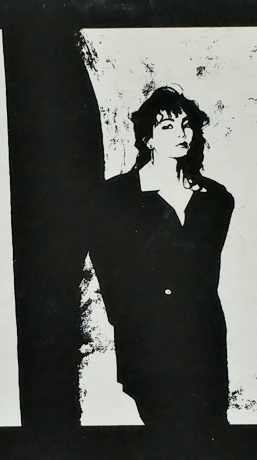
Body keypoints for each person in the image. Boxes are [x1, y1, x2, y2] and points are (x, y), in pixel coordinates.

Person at [89, 86, 235, 428]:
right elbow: (109, 270)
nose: (181, 134)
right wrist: (131, 323)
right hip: (147, 336)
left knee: (211, 428)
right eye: (167, 126)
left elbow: (202, 270)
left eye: (186, 125)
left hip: (202, 335)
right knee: (162, 429)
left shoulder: (215, 199)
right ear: (148, 139)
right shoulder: (114, 197)